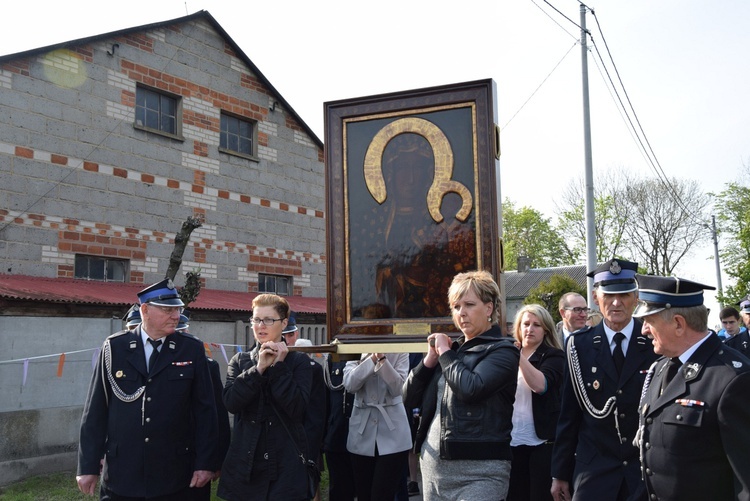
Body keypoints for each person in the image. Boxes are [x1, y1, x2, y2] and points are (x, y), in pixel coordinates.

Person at [76, 279, 219, 499]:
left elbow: (206, 411)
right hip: (124, 473)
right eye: (168, 310)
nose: (176, 316)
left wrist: (206, 463)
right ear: (145, 310)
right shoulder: (115, 348)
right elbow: (95, 410)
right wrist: (87, 465)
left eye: (178, 310)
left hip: (176, 472)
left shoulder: (190, 349)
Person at [403, 270, 519, 500]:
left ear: (488, 308)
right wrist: (429, 361)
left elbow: (471, 388)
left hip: (481, 473)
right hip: (434, 471)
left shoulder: (503, 350)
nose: (461, 313)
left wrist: (445, 353)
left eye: (469, 304)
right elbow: (408, 399)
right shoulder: (449, 353)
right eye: (456, 306)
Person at [632, 274, 750, 500]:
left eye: (650, 321)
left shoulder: (733, 379)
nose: (644, 330)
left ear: (678, 323)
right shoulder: (660, 368)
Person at [551, 259, 658, 501]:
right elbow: (569, 414)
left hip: (643, 470)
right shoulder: (579, 344)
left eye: (624, 295)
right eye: (609, 295)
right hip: (594, 470)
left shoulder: (654, 340)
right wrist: (560, 473)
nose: (616, 303)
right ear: (595, 297)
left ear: (636, 296)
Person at [218, 294, 313, 500]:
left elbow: (297, 408)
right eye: (256, 319)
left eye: (269, 320)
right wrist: (259, 368)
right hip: (247, 463)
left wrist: (278, 367)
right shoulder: (240, 360)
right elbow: (231, 402)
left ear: (284, 323)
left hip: (285, 464)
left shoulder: (299, 362)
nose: (261, 326)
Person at [508, 304, 565, 501]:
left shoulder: (554, 356)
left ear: (546, 330)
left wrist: (519, 357)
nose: (529, 329)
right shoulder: (506, 354)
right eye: (525, 324)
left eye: (536, 325)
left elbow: (540, 385)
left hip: (542, 441)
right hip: (510, 439)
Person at [343, 351, 411, 501]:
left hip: (393, 433)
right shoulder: (356, 347)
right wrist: (371, 359)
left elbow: (399, 388)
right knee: (363, 493)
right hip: (362, 430)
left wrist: (382, 360)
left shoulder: (401, 349)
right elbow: (349, 384)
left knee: (382, 494)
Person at [293, 334, 328, 500]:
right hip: (311, 430)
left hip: (306, 430)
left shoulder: (312, 369)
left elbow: (315, 404)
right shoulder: (314, 368)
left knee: (310, 474)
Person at [322, 356, 356, 501]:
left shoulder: (368, 353)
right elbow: (325, 400)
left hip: (365, 433)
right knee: (339, 490)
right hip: (337, 435)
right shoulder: (334, 356)